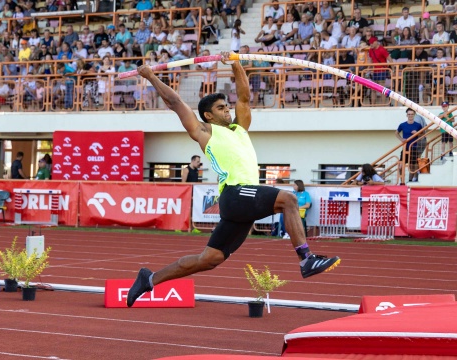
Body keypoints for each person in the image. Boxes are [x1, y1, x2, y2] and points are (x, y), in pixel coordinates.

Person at [127, 51, 340, 307]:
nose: (227, 111)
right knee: (288, 199)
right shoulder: (204, 131)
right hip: (235, 193)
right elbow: (175, 103)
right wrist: (151, 76)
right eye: (220, 108)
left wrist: (236, 64)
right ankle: (306, 260)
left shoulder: (240, 129)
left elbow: (244, 97)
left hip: (241, 204)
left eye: (226, 107)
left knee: (210, 258)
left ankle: (149, 279)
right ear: (208, 115)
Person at [396, 108, 423, 183]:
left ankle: (410, 180)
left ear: (414, 115)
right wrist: (401, 139)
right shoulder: (402, 125)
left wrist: (417, 133)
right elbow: (396, 133)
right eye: (409, 114)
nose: (410, 116)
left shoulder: (418, 125)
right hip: (405, 148)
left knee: (412, 166)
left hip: (414, 147)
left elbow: (423, 134)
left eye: (412, 114)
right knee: (401, 165)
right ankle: (402, 181)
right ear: (406, 115)